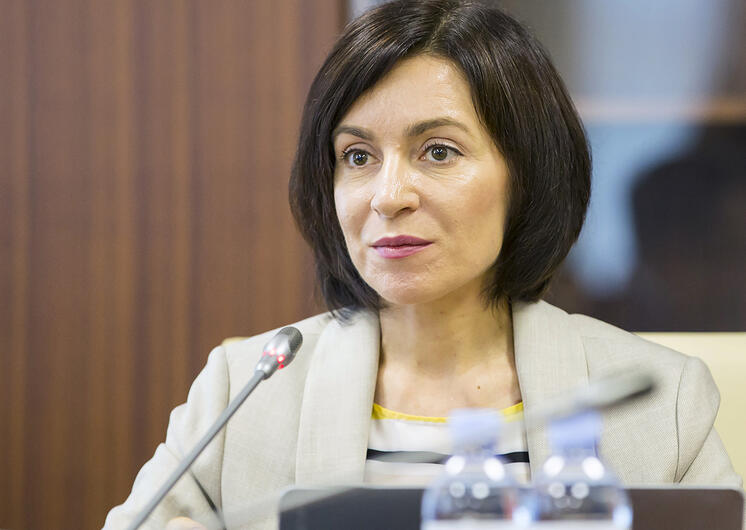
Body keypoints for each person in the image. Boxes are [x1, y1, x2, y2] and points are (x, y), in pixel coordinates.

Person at [103, 1, 743, 528]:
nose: (388, 196)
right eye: (357, 157)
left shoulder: (662, 404)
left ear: (528, 176)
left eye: (438, 151)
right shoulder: (245, 391)